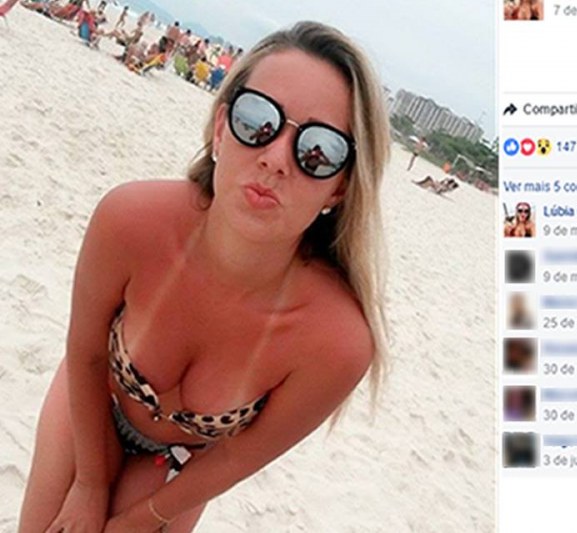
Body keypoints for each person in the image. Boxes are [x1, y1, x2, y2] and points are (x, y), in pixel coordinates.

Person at [18, 21, 390, 533]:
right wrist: (89, 485)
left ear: (341, 187)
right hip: (92, 400)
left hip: (181, 465)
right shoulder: (130, 219)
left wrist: (135, 521)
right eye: (257, 120)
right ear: (220, 128)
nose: (276, 159)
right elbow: (84, 353)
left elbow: (237, 458)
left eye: (318, 151)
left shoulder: (338, 342)